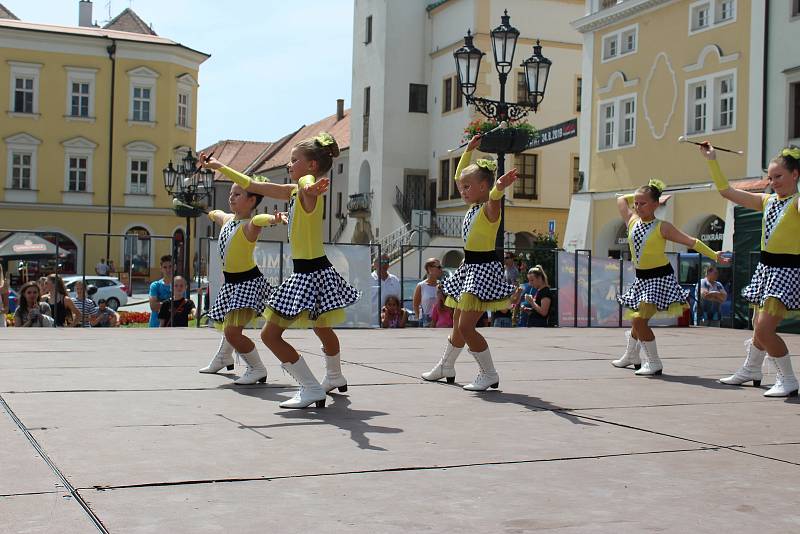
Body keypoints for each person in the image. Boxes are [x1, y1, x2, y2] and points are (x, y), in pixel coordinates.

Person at [204, 132, 360, 408]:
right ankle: (334, 376)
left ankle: (311, 387)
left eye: (294, 160)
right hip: (314, 271)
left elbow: (307, 182)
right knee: (322, 328)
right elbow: (252, 183)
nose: (289, 165)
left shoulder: (305, 186)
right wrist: (220, 168)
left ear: (311, 165)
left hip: (309, 274)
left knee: (270, 335)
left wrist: (310, 187)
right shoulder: (294, 191)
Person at [701, 144, 800, 397]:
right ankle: (752, 369)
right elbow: (726, 191)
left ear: (795, 175)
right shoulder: (767, 201)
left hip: (786, 271)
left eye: (778, 176)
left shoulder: (797, 202)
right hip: (766, 269)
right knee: (757, 325)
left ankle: (788, 379)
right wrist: (712, 160)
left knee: (765, 329)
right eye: (770, 176)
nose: (773, 181)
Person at [422, 134, 518, 390]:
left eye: (467, 187)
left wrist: (499, 186)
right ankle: (446, 366)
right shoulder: (474, 207)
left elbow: (496, 196)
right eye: (462, 188)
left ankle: (489, 373)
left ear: (484, 188)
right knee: (456, 321)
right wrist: (469, 152)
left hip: (483, 270)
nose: (461, 191)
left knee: (465, 327)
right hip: (470, 268)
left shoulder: (489, 207)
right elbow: (457, 177)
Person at [612, 178, 729, 376]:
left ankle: (654, 362)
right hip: (641, 279)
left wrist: (714, 255)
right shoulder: (631, 221)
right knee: (636, 321)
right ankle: (631, 355)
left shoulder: (662, 227)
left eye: (644, 203)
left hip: (659, 279)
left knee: (640, 321)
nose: (638, 206)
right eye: (637, 203)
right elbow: (621, 199)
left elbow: (691, 241)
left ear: (656, 205)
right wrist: (646, 193)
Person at [196, 156, 281, 385]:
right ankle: (224, 357)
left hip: (247, 283)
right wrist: (204, 210)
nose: (231, 198)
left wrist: (274, 218)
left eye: (237, 194)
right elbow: (216, 214)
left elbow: (261, 220)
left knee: (233, 331)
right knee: (229, 325)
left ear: (252, 200)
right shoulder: (228, 219)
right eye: (231, 194)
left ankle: (257, 368)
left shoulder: (249, 225)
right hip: (232, 284)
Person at [413, 258, 443, 327]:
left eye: (441, 267)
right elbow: (415, 305)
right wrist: (420, 319)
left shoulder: (442, 285)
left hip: (440, 320)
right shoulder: (421, 286)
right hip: (426, 321)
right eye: (438, 267)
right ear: (429, 269)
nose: (441, 269)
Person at [371, 254, 401, 320]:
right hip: (372, 323)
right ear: (375, 264)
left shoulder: (395, 280)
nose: (384, 264)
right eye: (382, 261)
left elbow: (399, 302)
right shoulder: (368, 280)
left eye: (386, 262)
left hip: (390, 325)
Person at [148, 255, 174, 328]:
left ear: (174, 267)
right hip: (155, 325)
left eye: (170, 266)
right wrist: (172, 304)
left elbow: (182, 307)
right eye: (165, 267)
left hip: (174, 326)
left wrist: (160, 304)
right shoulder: (155, 285)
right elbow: (153, 306)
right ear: (161, 269)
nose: (168, 270)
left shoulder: (179, 286)